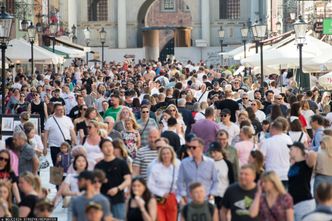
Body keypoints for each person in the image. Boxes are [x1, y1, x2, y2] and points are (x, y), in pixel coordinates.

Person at [94, 138, 131, 220]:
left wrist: (118, 189)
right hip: (103, 200)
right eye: (105, 146)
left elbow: (128, 180)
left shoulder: (121, 163)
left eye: (110, 146)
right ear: (101, 149)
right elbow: (95, 183)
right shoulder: (98, 166)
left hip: (118, 199)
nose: (108, 148)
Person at [177, 137, 218, 202]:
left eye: (194, 147)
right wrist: (183, 195)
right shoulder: (184, 163)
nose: (191, 149)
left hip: (206, 199)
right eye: (189, 147)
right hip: (189, 200)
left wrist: (212, 194)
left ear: (201, 148)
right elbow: (180, 181)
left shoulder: (210, 163)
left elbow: (215, 180)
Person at [147, 145, 180, 221]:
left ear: (172, 154)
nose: (166, 155)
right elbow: (150, 184)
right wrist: (161, 193)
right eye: (164, 154)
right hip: (159, 198)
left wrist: (178, 198)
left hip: (172, 198)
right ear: (161, 155)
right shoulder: (156, 167)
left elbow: (181, 183)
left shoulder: (176, 167)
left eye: (168, 153)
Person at [288, 142, 316, 221]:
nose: (289, 151)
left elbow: (313, 154)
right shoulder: (293, 164)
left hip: (304, 202)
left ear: (297, 150)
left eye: (291, 149)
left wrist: (305, 151)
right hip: (293, 203)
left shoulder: (306, 163)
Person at [260, 120, 292, 188]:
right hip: (286, 174)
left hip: (272, 175)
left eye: (270, 128)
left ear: (273, 129)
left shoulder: (267, 142)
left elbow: (261, 158)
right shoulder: (288, 140)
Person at [208, 141, 234, 212]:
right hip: (211, 197)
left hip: (224, 196)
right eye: (211, 152)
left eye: (215, 152)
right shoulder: (209, 163)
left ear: (220, 151)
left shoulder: (228, 164)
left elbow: (232, 181)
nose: (213, 154)